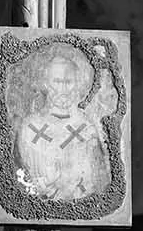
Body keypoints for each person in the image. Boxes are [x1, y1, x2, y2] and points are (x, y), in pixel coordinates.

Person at [14, 42, 114, 205]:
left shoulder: (86, 128)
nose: (63, 89)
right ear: (45, 83)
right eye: (57, 81)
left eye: (68, 82)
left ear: (77, 84)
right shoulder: (31, 128)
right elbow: (23, 180)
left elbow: (98, 181)